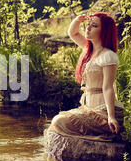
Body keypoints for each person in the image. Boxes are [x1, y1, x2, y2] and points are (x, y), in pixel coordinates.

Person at [46, 12, 124, 142]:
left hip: (103, 112)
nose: (88, 28)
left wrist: (111, 116)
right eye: (88, 24)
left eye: (94, 26)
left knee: (58, 121)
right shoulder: (89, 49)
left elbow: (108, 88)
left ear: (104, 31)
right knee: (57, 121)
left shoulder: (108, 56)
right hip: (89, 109)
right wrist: (78, 20)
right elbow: (73, 33)